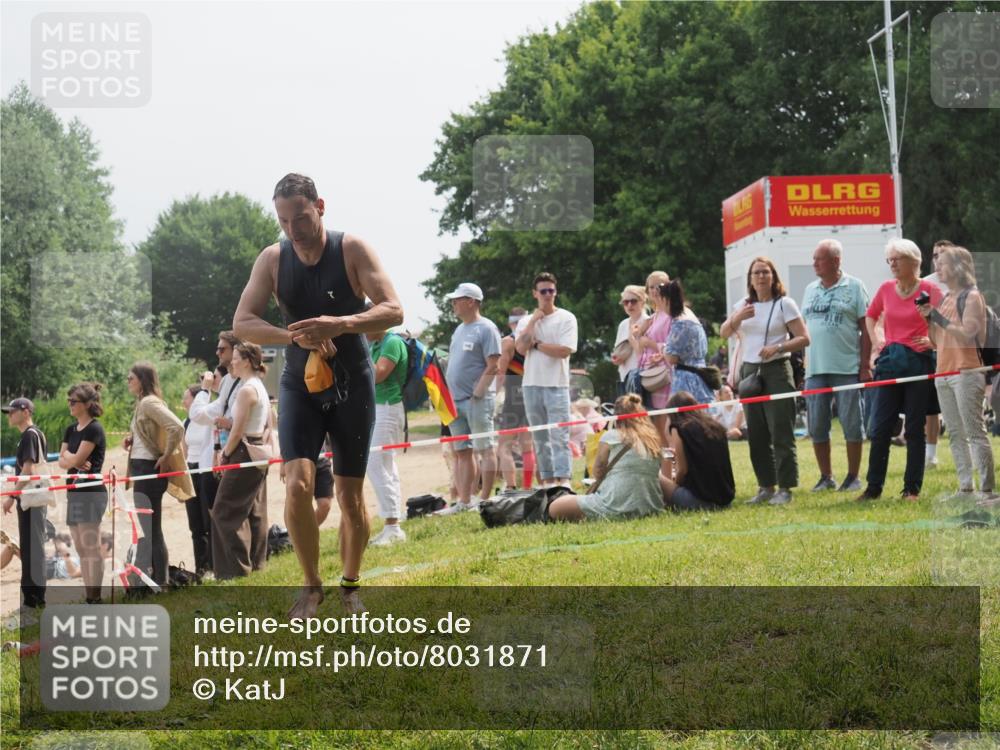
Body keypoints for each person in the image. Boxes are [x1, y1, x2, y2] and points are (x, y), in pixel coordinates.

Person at [233, 172, 403, 618]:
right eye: (284, 221)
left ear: (320, 206)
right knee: (297, 483)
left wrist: (340, 323)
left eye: (301, 218)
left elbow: (394, 309)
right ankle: (311, 587)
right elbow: (243, 323)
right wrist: (295, 337)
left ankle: (350, 586)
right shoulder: (272, 259)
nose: (294, 229)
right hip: (298, 382)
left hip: (352, 379)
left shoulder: (351, 249)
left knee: (349, 497)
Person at [859, 239, 944, 501]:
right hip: (890, 363)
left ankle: (912, 489)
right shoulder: (885, 289)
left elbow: (947, 325)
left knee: (914, 428)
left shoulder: (930, 289)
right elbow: (870, 316)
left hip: (918, 363)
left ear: (914, 262)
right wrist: (877, 342)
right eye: (890, 260)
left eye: (897, 259)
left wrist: (932, 340)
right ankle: (873, 489)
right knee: (880, 427)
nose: (892, 264)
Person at [721, 257, 810, 506]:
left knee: (780, 430)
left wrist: (778, 347)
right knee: (756, 433)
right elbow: (724, 332)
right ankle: (765, 487)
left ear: (773, 276)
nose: (761, 276)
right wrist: (737, 317)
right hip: (750, 371)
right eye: (756, 273)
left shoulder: (785, 304)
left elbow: (804, 338)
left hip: (777, 370)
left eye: (765, 272)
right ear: (750, 278)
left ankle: (785, 488)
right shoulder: (743, 305)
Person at [919, 245, 996, 497]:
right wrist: (929, 319)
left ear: (959, 267)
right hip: (943, 372)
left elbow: (967, 334)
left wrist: (938, 318)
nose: (937, 268)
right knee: (954, 433)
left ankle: (986, 489)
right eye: (937, 263)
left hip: (966, 371)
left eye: (943, 263)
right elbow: (934, 342)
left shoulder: (972, 296)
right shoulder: (944, 299)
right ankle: (965, 487)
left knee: (974, 432)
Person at [799, 239, 872, 493]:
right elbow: (803, 328)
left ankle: (853, 477)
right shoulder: (809, 289)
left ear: (836, 261)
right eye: (814, 258)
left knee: (852, 422)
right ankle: (826, 476)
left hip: (847, 367)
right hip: (815, 370)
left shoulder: (855, 286)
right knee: (816, 424)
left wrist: (865, 364)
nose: (814, 263)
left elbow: (867, 328)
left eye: (819, 258)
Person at [125, 362, 194, 591]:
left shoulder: (148, 402)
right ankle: (159, 579)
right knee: (152, 528)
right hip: (143, 469)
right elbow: (153, 433)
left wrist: (165, 456)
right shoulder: (143, 403)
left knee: (151, 529)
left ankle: (160, 581)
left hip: (148, 471)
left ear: (142, 380)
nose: (128, 382)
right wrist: (133, 440)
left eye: (131, 378)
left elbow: (176, 427)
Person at [547, 393, 664, 522]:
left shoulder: (611, 436)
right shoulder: (653, 439)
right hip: (651, 507)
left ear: (616, 416)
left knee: (555, 507)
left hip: (614, 505)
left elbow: (597, 472)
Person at [437, 282, 502, 513]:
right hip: (455, 402)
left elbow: (493, 365)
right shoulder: (459, 330)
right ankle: (465, 501)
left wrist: (477, 394)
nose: (454, 304)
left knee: (485, 449)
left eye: (457, 299)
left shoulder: (487, 328)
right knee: (462, 451)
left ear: (471, 301)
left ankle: (484, 500)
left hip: (477, 400)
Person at [211, 343, 273, 579]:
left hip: (244, 451)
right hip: (256, 451)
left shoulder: (247, 390)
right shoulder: (259, 386)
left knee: (223, 511)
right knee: (254, 511)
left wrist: (225, 453)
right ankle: (256, 565)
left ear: (247, 361)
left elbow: (237, 431)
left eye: (235, 358)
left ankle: (235, 571)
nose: (232, 362)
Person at [515, 272, 579, 489]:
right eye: (543, 291)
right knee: (540, 438)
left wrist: (538, 345)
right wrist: (534, 320)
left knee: (559, 436)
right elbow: (521, 348)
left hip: (557, 385)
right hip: (531, 384)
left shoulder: (567, 317)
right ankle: (549, 483)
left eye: (551, 290)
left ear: (556, 291)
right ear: (535, 294)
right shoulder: (526, 321)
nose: (548, 295)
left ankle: (564, 481)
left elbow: (564, 350)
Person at [58, 383, 107, 604]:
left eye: (73, 401)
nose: (70, 404)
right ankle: (89, 595)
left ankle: (94, 597)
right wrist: (72, 458)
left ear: (87, 404)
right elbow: (62, 461)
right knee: (80, 546)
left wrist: (71, 457)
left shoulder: (94, 428)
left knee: (91, 546)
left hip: (91, 492)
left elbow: (75, 460)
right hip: (74, 492)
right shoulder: (71, 429)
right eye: (69, 400)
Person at [2, 398, 49, 610]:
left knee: (33, 547)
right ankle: (32, 597)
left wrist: (12, 495)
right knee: (30, 546)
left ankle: (35, 598)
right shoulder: (29, 435)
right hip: (30, 496)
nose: (9, 415)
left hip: (31, 496)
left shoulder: (30, 434)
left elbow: (28, 470)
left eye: (13, 411)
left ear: (26, 411)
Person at [365, 320, 409, 543]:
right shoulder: (375, 344)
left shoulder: (391, 342)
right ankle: (392, 523)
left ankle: (393, 524)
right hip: (379, 407)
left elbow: (378, 374)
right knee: (386, 464)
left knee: (375, 462)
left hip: (388, 407)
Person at [660, 391, 736, 510]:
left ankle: (667, 503)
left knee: (658, 478)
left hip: (700, 500)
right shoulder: (715, 426)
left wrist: (674, 485)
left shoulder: (679, 428)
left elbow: (682, 470)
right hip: (725, 499)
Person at [496, 307, 535, 490]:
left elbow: (501, 372)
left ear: (510, 323)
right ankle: (528, 487)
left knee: (504, 446)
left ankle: (511, 487)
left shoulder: (508, 342)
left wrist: (491, 395)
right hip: (532, 394)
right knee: (528, 447)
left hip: (513, 397)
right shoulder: (533, 340)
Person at [923, 240, 954, 467]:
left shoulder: (961, 285)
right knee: (931, 406)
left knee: (963, 405)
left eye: (942, 255)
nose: (937, 259)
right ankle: (931, 454)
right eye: (934, 255)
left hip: (958, 352)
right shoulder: (924, 284)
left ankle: (971, 451)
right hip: (931, 351)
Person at [663, 280, 716, 405]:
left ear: (665, 300)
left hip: (687, 380)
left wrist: (662, 348)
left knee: (685, 419)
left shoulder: (680, 322)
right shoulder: (690, 316)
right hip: (700, 377)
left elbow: (671, 358)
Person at [633, 271, 672, 438]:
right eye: (651, 287)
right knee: (657, 431)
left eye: (660, 286)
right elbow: (639, 350)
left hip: (665, 377)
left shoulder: (672, 314)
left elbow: (675, 347)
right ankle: (665, 464)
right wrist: (638, 336)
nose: (655, 290)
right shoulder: (653, 317)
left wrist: (650, 344)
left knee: (665, 430)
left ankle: (673, 464)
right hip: (650, 377)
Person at [183, 382, 214, 575]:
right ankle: (200, 569)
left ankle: (213, 566)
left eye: (186, 398)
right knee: (195, 525)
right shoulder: (187, 421)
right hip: (191, 470)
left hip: (206, 471)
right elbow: (184, 449)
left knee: (208, 521)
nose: (183, 402)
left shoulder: (208, 418)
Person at [612, 285, 649, 396]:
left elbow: (647, 355)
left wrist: (633, 340)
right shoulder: (623, 324)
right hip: (624, 377)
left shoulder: (648, 322)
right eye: (625, 302)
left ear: (642, 302)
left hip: (642, 378)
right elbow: (618, 349)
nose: (629, 305)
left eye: (633, 301)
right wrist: (616, 358)